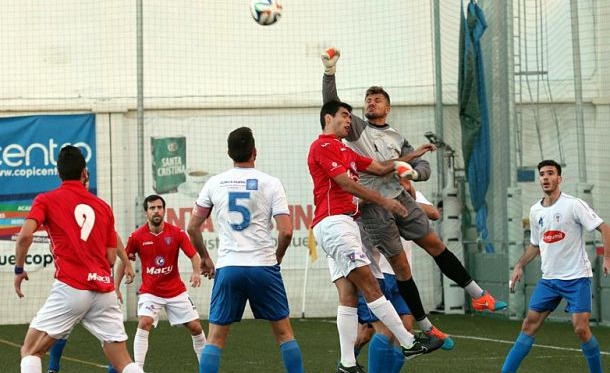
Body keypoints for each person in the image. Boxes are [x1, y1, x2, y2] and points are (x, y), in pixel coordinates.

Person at [321, 48, 507, 333]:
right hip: (375, 208)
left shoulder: (398, 137)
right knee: (402, 268)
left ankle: (479, 295)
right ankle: (427, 326)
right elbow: (331, 104)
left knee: (436, 245)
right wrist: (329, 72)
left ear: (388, 108)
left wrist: (414, 172)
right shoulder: (357, 129)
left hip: (401, 199)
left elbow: (423, 166)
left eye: (377, 99)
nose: (371, 103)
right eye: (368, 100)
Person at [308, 100, 443, 373]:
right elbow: (345, 183)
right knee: (372, 287)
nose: (349, 120)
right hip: (334, 224)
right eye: (344, 116)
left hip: (344, 225)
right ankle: (408, 341)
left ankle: (347, 363)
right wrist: (384, 201)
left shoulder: (345, 150)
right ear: (327, 118)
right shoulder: (322, 146)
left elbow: (382, 168)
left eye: (349, 116)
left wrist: (413, 154)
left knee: (348, 295)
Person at [13, 145, 144, 373]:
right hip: (104, 290)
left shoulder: (46, 199)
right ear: (85, 173)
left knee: (30, 351)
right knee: (124, 361)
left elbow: (24, 236)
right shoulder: (103, 206)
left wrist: (19, 269)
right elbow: (111, 258)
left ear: (58, 173)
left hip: (71, 287)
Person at [187, 127, 305, 373]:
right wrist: (278, 257)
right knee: (284, 333)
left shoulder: (214, 183)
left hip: (229, 267)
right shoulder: (271, 183)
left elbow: (193, 228)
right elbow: (286, 231)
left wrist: (205, 258)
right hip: (263, 266)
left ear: (229, 153)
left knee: (215, 338)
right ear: (255, 152)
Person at [500, 159, 610, 373]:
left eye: (550, 173)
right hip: (549, 280)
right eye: (542, 174)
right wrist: (519, 265)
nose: (545, 177)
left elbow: (605, 228)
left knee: (581, 329)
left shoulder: (573, 204)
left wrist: (607, 258)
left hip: (577, 277)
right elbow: (535, 245)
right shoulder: (535, 211)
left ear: (559, 178)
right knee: (528, 325)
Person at [354, 180, 450, 373]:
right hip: (379, 272)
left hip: (403, 276)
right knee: (369, 333)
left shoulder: (407, 194)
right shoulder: (370, 192)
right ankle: (346, 361)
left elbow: (434, 213)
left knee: (406, 331)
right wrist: (385, 201)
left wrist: (407, 200)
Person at [113, 194, 206, 370]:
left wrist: (196, 272)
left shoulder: (177, 233)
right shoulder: (137, 236)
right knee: (144, 322)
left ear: (164, 210)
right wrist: (115, 287)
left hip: (175, 291)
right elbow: (123, 260)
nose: (156, 211)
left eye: (159, 207)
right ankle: (138, 369)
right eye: (152, 208)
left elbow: (193, 255)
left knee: (195, 327)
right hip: (150, 292)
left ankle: (206, 367)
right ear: (146, 212)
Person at [47, 234, 135, 373]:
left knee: (34, 346)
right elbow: (111, 256)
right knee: (114, 341)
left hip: (73, 287)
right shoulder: (101, 213)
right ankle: (52, 368)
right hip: (101, 284)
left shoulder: (62, 217)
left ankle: (52, 368)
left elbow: (52, 247)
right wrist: (126, 263)